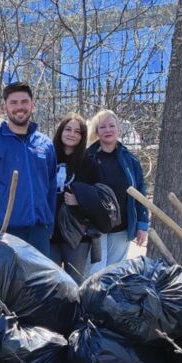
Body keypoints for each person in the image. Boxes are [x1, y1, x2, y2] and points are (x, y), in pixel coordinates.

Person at [0, 81, 58, 257]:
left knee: (39, 285)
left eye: (24, 102)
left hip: (38, 233)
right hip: (4, 232)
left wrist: (48, 225)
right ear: (4, 107)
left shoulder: (45, 144)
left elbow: (51, 187)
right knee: (6, 285)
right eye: (13, 103)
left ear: (33, 105)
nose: (19, 107)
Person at [86, 109, 148, 271]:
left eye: (111, 126)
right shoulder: (87, 158)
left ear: (118, 130)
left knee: (115, 273)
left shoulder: (130, 159)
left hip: (121, 228)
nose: (108, 130)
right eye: (102, 127)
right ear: (96, 132)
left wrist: (142, 225)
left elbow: (140, 191)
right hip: (96, 229)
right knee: (96, 274)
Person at [49, 113, 101, 280]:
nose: (72, 134)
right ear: (60, 131)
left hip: (77, 235)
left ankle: (75, 308)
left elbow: (98, 199)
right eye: (68, 129)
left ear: (82, 136)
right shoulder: (47, 158)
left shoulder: (89, 163)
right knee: (51, 283)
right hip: (50, 232)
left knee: (75, 282)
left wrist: (81, 201)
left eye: (77, 131)